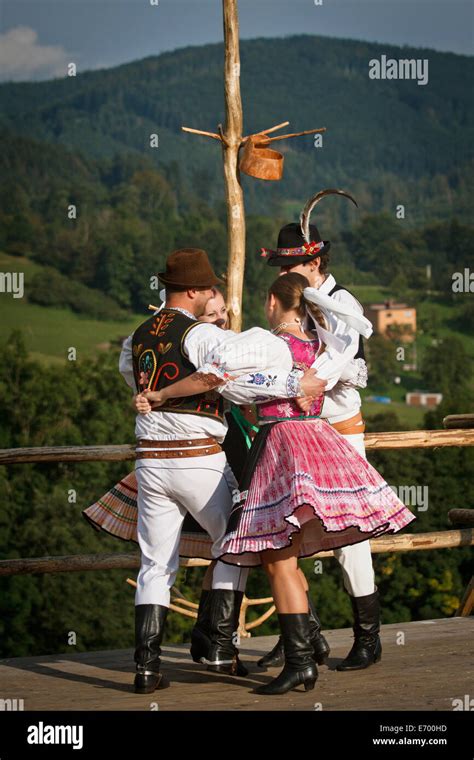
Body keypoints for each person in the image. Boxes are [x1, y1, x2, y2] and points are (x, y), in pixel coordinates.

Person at [139, 272, 416, 695]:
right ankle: (303, 648)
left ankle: (297, 655)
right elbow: (330, 376)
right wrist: (299, 385)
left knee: (275, 554)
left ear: (272, 301)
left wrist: (164, 393)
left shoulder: (269, 343)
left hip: (281, 444)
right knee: (279, 554)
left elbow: (226, 382)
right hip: (315, 438)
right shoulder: (319, 347)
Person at [118, 248, 326, 693]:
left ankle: (147, 668)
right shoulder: (200, 336)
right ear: (194, 291)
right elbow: (227, 378)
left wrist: (157, 398)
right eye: (208, 287)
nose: (212, 293)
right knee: (235, 545)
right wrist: (292, 382)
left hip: (149, 459)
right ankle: (219, 649)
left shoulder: (135, 337)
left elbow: (129, 376)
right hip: (197, 457)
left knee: (155, 564)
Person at [258, 188, 383, 672]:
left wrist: (306, 383)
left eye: (288, 266)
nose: (282, 276)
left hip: (337, 430)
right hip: (297, 432)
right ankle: (302, 633)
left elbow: (340, 358)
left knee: (350, 533)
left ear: (312, 262)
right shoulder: (298, 300)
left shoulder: (340, 302)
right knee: (290, 527)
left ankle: (367, 638)